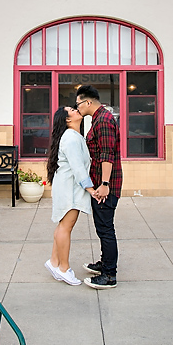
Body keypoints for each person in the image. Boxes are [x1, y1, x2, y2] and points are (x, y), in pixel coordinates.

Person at [75, 84, 122, 289]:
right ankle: (105, 264)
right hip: (100, 182)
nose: (77, 108)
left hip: (106, 185)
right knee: (102, 227)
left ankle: (109, 275)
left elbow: (106, 154)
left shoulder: (103, 120)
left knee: (105, 229)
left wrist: (104, 184)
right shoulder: (98, 118)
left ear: (87, 102)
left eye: (78, 104)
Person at [44, 106, 97, 287]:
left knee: (62, 226)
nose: (77, 110)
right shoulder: (71, 138)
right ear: (67, 119)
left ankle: (53, 262)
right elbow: (78, 167)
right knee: (66, 227)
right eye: (73, 110)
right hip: (70, 190)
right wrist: (90, 188)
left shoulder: (72, 136)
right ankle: (64, 269)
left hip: (67, 187)